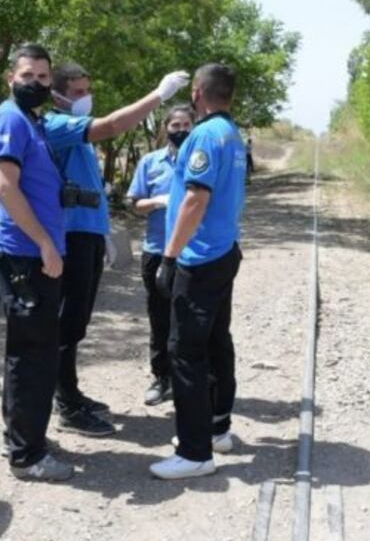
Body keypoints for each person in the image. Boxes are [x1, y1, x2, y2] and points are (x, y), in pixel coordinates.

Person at [44, 62, 189, 436]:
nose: (85, 97)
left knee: (77, 323)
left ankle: (71, 392)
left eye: (87, 90)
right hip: (71, 236)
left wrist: (104, 232)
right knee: (66, 324)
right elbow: (111, 126)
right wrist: (158, 95)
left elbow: (88, 189)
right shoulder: (57, 125)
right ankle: (66, 404)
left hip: (88, 234)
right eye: (77, 92)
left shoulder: (77, 134)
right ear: (57, 95)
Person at [150, 63, 246, 480]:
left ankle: (194, 453)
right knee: (217, 341)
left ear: (198, 93)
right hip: (223, 250)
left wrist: (169, 257)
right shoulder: (232, 134)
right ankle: (217, 429)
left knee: (185, 352)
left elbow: (195, 199)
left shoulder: (205, 135)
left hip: (199, 257)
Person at [0, 43, 72, 482]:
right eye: (27, 76)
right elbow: (5, 187)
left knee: (27, 351)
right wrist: (44, 244)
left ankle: (18, 435)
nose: (35, 83)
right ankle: (27, 455)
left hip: (32, 251)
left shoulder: (30, 119)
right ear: (10, 78)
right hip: (25, 254)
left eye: (42, 77)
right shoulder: (10, 120)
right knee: (34, 355)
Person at [126, 104, 195, 406]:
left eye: (186, 125)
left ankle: (192, 379)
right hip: (156, 250)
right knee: (159, 317)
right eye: (175, 125)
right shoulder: (150, 162)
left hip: (193, 252)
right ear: (165, 128)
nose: (180, 130)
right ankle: (161, 377)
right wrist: (157, 201)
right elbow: (134, 204)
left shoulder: (200, 161)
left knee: (192, 318)